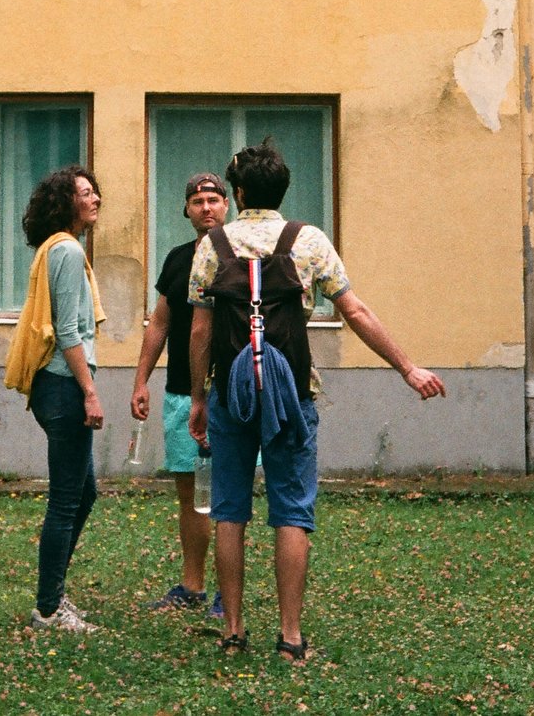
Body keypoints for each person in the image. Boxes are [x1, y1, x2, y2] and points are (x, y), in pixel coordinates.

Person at [188, 139, 445, 664]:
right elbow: (356, 311)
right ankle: (290, 637)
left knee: (230, 510)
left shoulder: (212, 245)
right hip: (292, 392)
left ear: (237, 194)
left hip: (230, 396)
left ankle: (234, 630)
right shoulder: (308, 241)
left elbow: (199, 331)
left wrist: (199, 397)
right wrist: (407, 367)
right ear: (282, 190)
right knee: (292, 511)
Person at [128, 171, 231, 613]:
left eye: (213, 199)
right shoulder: (175, 260)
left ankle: (230, 593)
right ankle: (192, 588)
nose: (206, 207)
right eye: (197, 201)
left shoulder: (243, 257)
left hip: (229, 393)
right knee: (190, 497)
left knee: (229, 495)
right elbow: (160, 324)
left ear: (227, 206)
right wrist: (140, 380)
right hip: (179, 395)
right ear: (186, 210)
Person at [9, 166, 105, 633]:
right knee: (67, 499)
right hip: (66, 385)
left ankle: (54, 593)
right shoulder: (66, 250)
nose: (94, 199)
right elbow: (67, 330)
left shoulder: (64, 249)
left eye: (94, 192)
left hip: (61, 384)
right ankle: (48, 607)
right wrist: (90, 391)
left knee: (84, 492)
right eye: (84, 193)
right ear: (64, 204)